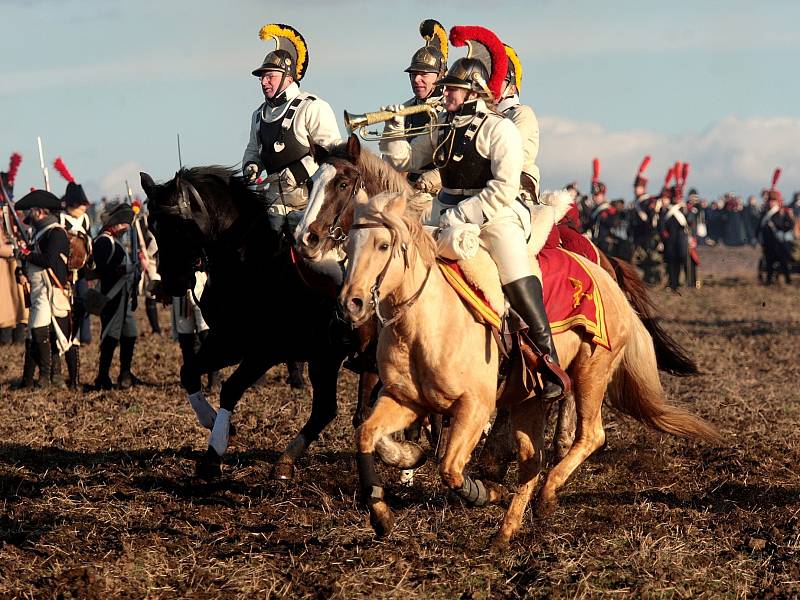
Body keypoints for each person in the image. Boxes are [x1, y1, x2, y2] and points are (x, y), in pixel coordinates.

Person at [380, 25, 566, 400]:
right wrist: (394, 125)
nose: (443, 92)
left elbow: (504, 188)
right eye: (445, 87)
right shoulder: (443, 127)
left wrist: (465, 213)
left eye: (451, 88)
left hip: (496, 214)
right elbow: (402, 160)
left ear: (473, 92)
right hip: (445, 209)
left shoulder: (500, 130)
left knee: (515, 269)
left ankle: (547, 360)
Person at [242, 23, 342, 232]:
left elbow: (332, 155)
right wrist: (251, 165)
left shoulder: (313, 106)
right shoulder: (258, 115)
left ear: (288, 78)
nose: (263, 82)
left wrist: (296, 172)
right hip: (271, 201)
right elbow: (253, 149)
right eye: (262, 77)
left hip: (309, 204)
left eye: (270, 76)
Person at [11, 190, 71, 389]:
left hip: (50, 290)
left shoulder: (56, 233)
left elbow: (48, 260)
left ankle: (46, 377)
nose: (31, 215)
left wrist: (26, 254)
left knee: (39, 332)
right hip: (39, 290)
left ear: (40, 212)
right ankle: (43, 378)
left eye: (33, 211)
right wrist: (22, 266)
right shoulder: (39, 234)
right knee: (39, 334)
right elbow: (31, 258)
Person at [390, 19, 448, 195]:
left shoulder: (449, 110)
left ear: (440, 75)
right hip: (403, 190)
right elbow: (392, 160)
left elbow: (454, 163)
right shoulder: (403, 109)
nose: (416, 80)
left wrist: (425, 183)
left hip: (437, 193)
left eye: (423, 74)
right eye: (413, 74)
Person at [87, 202, 140, 390]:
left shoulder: (115, 242)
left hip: (123, 297)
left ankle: (125, 373)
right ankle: (102, 377)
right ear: (115, 224)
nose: (126, 229)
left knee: (130, 334)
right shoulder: (103, 241)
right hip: (111, 297)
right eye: (124, 224)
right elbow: (102, 270)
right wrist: (125, 269)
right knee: (110, 337)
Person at [57, 177, 92, 388]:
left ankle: (83, 335)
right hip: (66, 271)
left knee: (83, 304)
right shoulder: (61, 219)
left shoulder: (86, 220)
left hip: (82, 269)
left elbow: (88, 241)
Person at [497, 41, 540, 203]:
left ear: (512, 87)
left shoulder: (521, 113)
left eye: (498, 80)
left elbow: (507, 150)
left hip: (517, 195)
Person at [759, 170, 794, 285]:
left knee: (784, 263)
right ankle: (769, 282)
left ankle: (788, 281)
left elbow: (790, 224)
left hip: (781, 243)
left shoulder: (783, 212)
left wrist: (783, 232)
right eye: (770, 201)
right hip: (768, 243)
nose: (771, 203)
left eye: (773, 201)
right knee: (769, 263)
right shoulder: (765, 214)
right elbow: (760, 226)